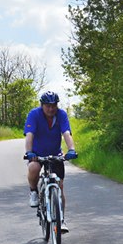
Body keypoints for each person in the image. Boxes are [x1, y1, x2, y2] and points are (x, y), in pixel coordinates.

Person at [24, 91, 77, 233]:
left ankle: (61, 220)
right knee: (34, 168)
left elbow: (66, 133)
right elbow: (29, 135)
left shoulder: (61, 115)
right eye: (48, 106)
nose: (51, 109)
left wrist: (71, 149)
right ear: (42, 105)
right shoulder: (34, 114)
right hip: (37, 154)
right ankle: (34, 191)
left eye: (54, 105)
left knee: (59, 187)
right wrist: (29, 153)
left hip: (55, 154)